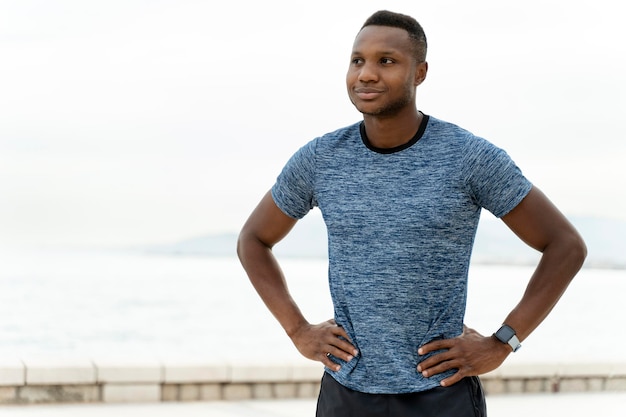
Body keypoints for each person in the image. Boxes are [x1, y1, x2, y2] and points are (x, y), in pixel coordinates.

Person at [237, 10, 586, 417]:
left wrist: (502, 342)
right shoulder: (321, 159)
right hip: (345, 393)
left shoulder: (468, 157)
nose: (366, 74)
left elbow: (565, 246)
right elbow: (253, 240)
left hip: (441, 393)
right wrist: (298, 330)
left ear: (419, 73)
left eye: (386, 61)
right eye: (357, 60)